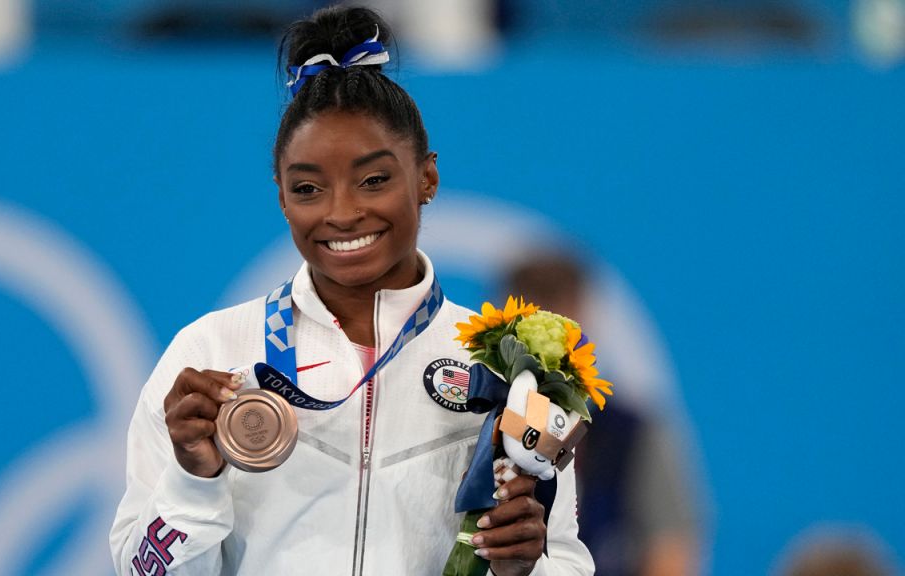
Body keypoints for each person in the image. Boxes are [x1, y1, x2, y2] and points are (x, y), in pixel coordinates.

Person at [110, 6, 594, 575]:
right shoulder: (210, 353)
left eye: (373, 180)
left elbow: (565, 561)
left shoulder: (507, 367)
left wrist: (525, 568)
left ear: (427, 179)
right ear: (282, 196)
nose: (342, 213)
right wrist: (195, 481)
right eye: (309, 187)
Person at [504, 252, 701, 576]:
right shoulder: (476, 422)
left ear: (585, 320)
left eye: (560, 324)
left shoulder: (634, 434)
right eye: (532, 325)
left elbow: (672, 552)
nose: (545, 348)